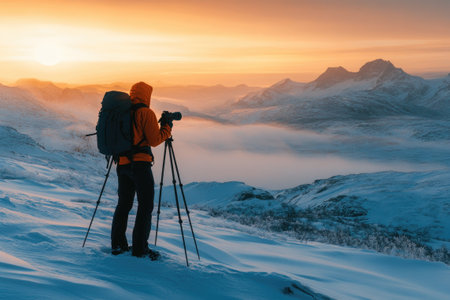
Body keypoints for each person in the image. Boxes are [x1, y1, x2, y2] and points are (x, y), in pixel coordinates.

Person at [111, 81, 172, 258]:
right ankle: (139, 249)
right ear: (147, 95)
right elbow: (154, 140)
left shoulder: (122, 112)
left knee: (123, 205)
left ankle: (117, 245)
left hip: (122, 165)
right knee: (145, 207)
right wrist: (166, 127)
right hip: (140, 165)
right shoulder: (145, 112)